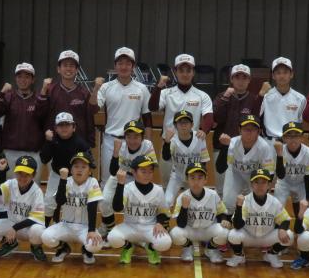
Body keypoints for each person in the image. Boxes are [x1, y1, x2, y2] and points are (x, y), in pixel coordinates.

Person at [149, 53, 214, 185]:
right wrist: (159, 87)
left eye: (188, 71)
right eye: (181, 70)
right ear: (175, 72)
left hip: (193, 146)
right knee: (167, 186)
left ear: (193, 72)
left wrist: (204, 130)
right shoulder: (166, 93)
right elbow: (153, 107)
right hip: (169, 144)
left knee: (193, 187)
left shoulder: (202, 95)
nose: (185, 74)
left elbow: (208, 116)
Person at [91, 47, 152, 182]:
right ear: (115, 66)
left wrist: (147, 143)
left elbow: (147, 118)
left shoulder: (142, 89)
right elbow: (93, 109)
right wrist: (95, 89)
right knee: (108, 181)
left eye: (128, 63)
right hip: (111, 141)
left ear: (133, 66)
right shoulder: (106, 87)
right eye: (120, 63)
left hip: (134, 142)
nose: (124, 67)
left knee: (135, 181)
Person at [41, 151, 104, 264]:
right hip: (66, 225)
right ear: (71, 170)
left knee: (96, 245)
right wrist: (62, 180)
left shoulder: (92, 182)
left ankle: (86, 250)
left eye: (83, 167)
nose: (79, 170)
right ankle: (63, 248)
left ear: (89, 171)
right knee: (46, 236)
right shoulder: (66, 181)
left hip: (85, 227)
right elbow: (59, 201)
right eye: (76, 166)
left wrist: (91, 231)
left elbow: (92, 207)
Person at [108, 155, 172, 265]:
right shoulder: (127, 188)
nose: (147, 175)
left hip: (150, 227)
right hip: (129, 226)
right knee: (112, 238)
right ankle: (128, 246)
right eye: (143, 171)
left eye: (150, 171)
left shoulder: (158, 190)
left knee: (166, 243)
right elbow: (117, 208)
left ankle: (150, 247)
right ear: (133, 172)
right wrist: (120, 184)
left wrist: (160, 223)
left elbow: (163, 212)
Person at [0, 62, 49, 181]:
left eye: (27, 77)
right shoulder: (8, 97)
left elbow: (44, 117)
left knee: (33, 187)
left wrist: (43, 93)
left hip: (33, 152)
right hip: (10, 151)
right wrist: (2, 93)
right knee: (10, 187)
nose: (23, 80)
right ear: (15, 79)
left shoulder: (39, 98)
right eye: (20, 76)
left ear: (33, 80)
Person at [99, 119, 157, 237]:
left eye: (136, 137)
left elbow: (150, 170)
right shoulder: (121, 145)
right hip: (120, 175)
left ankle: (139, 231)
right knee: (104, 201)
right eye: (129, 137)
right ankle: (109, 227)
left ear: (142, 137)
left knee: (135, 206)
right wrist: (115, 152)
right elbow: (113, 171)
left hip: (139, 178)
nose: (132, 140)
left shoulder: (147, 146)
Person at [0, 156, 47, 261]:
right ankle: (11, 243)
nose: (23, 177)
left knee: (38, 231)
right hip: (12, 223)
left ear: (34, 175)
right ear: (15, 173)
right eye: (20, 173)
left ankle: (36, 246)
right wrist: (1, 171)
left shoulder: (37, 192)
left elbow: (35, 219)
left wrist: (14, 228)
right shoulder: (11, 184)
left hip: (28, 228)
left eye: (27, 174)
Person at [212, 64, 263, 196]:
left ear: (249, 80)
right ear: (231, 79)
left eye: (244, 78)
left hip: (244, 150)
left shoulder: (253, 99)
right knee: (221, 188)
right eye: (237, 77)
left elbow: (256, 124)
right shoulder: (222, 96)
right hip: (222, 146)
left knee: (246, 191)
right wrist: (225, 97)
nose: (240, 81)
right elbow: (216, 118)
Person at [227, 169, 293, 268]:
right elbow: (237, 225)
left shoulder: (274, 201)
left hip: (267, 237)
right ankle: (239, 255)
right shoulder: (245, 200)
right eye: (256, 182)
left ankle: (271, 255)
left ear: (269, 185)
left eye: (263, 182)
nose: (260, 186)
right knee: (233, 235)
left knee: (289, 235)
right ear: (251, 185)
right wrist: (239, 207)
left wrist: (282, 229)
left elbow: (285, 219)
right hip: (248, 236)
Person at [170, 162, 230, 264]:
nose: (196, 182)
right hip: (190, 231)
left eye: (200, 178)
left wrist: (224, 220)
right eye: (192, 178)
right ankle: (188, 248)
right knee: (175, 233)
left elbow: (221, 213)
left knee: (224, 232)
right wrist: (184, 208)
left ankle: (210, 249)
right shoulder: (182, 197)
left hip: (208, 230)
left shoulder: (213, 195)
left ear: (205, 179)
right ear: (187, 179)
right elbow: (180, 224)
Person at [216, 114, 276, 216]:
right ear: (239, 130)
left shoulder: (264, 147)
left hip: (255, 176)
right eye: (246, 129)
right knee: (228, 201)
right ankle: (227, 221)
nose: (249, 132)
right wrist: (224, 147)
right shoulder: (232, 143)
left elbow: (269, 173)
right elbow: (220, 169)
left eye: (253, 129)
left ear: (259, 131)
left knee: (257, 203)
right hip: (235, 172)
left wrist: (262, 191)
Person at [40, 112, 91, 225]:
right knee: (49, 202)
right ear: (55, 128)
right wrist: (48, 142)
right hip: (56, 175)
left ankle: (71, 225)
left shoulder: (81, 143)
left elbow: (90, 162)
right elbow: (44, 159)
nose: (64, 128)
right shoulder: (53, 140)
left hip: (75, 178)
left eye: (67, 125)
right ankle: (45, 226)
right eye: (60, 125)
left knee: (72, 203)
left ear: (74, 127)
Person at [38, 50, 97, 148]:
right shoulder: (50, 90)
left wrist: (90, 142)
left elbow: (90, 118)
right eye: (65, 65)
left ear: (77, 70)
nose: (68, 68)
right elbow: (40, 114)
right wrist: (43, 91)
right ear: (58, 69)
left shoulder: (84, 93)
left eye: (72, 66)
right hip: (54, 144)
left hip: (78, 145)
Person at [161, 110, 210, 209]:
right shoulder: (172, 139)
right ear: (175, 125)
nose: (183, 125)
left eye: (186, 122)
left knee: (195, 204)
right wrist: (166, 142)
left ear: (192, 124)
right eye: (180, 122)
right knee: (167, 202)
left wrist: (201, 178)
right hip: (177, 175)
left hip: (195, 176)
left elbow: (204, 161)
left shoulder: (200, 137)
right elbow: (166, 158)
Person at [272, 122, 309, 212]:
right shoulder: (279, 150)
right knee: (277, 209)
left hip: (302, 183)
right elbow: (280, 175)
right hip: (284, 183)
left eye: (296, 136)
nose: (293, 139)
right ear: (284, 138)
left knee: (307, 209)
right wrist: (279, 155)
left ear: (302, 137)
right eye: (289, 136)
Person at [260, 56, 307, 140]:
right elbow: (256, 116)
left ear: (291, 74)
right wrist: (260, 95)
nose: (282, 76)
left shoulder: (300, 98)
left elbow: (302, 122)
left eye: (285, 72)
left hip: (291, 141)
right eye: (278, 73)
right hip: (269, 141)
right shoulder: (266, 96)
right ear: (273, 76)